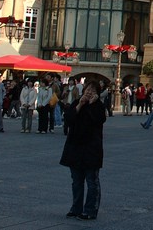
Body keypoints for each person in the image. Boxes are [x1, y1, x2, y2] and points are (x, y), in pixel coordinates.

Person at [60, 82, 106, 221]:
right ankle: (76, 208)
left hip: (92, 148)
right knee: (76, 181)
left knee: (92, 181)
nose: (89, 92)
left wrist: (92, 104)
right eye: (87, 89)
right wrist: (80, 105)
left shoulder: (99, 106)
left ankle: (90, 210)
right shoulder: (76, 102)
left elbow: (98, 120)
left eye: (93, 90)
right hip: (75, 147)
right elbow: (68, 119)